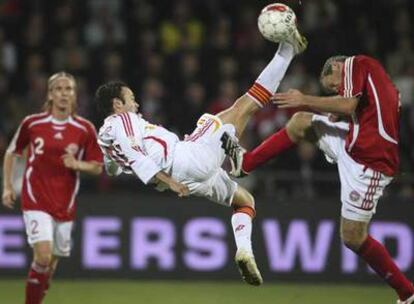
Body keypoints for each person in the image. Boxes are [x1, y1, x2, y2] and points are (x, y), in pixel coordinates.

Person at [94, 29, 307, 286]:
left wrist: (163, 179)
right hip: (183, 162)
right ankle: (287, 51)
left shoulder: (106, 138)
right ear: (117, 105)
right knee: (241, 107)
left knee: (244, 201)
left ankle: (245, 251)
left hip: (189, 177)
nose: (136, 105)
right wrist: (169, 180)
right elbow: (137, 157)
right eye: (131, 99)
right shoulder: (122, 120)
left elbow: (113, 168)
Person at [222, 55, 414, 303]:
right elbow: (361, 109)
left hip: (369, 163)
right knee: (300, 122)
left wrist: (306, 99)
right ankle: (245, 164)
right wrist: (334, 111)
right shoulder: (377, 79)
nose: (336, 90)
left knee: (353, 236)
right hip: (354, 142)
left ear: (336, 67)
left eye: (333, 86)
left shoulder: (356, 64)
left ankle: (407, 293)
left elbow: (348, 105)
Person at [2, 72, 103, 304]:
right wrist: (7, 187)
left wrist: (77, 164)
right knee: (44, 257)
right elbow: (12, 152)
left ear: (75, 95)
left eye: (69, 89)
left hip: (64, 203)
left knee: (50, 265)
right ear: (50, 94)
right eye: (58, 89)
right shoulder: (33, 123)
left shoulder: (84, 129)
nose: (64, 93)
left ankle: (39, 287)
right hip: (35, 197)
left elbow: (97, 167)